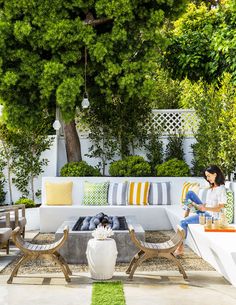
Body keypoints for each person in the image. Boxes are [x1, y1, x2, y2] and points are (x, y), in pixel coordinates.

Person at [174, 165, 227, 256]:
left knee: (183, 222)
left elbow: (220, 207)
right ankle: (188, 209)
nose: (207, 178)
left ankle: (180, 248)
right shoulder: (212, 187)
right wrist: (200, 206)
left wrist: (205, 208)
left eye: (209, 176)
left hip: (211, 217)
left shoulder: (221, 189)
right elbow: (208, 203)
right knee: (190, 193)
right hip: (205, 211)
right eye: (206, 176)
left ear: (215, 174)